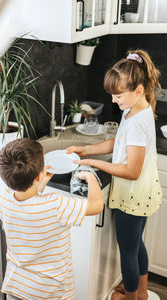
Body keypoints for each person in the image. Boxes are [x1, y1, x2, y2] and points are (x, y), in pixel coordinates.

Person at [67, 50, 162, 300]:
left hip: (132, 197)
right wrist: (85, 149)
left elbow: (132, 171)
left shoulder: (138, 122)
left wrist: (93, 163)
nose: (114, 100)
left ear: (138, 90)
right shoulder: (135, 109)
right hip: (143, 194)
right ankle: (140, 292)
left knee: (128, 253)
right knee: (136, 246)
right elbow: (117, 142)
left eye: (118, 95)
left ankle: (131, 297)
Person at [0, 138, 103, 300]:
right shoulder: (56, 205)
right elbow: (96, 205)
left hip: (17, 286)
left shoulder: (4, 198)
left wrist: (41, 181)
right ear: (38, 175)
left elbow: (27, 206)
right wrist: (91, 177)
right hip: (49, 290)